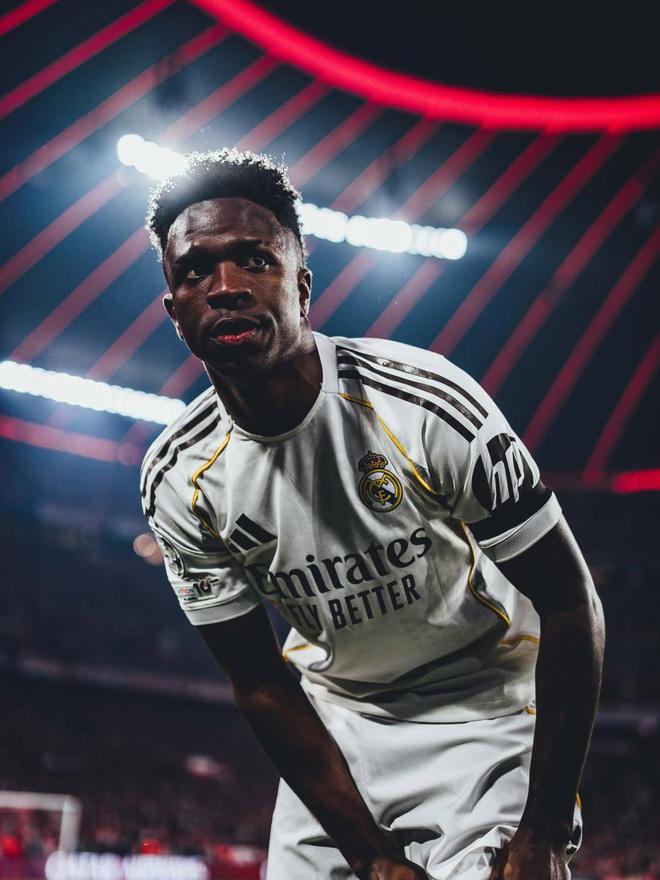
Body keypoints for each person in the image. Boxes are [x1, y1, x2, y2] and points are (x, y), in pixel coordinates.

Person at [140, 148, 605, 880]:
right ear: (175, 312)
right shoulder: (177, 479)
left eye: (254, 260)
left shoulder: (426, 405)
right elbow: (259, 683)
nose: (225, 287)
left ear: (302, 284)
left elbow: (571, 603)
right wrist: (371, 856)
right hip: (340, 719)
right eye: (195, 272)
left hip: (479, 703)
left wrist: (543, 832)